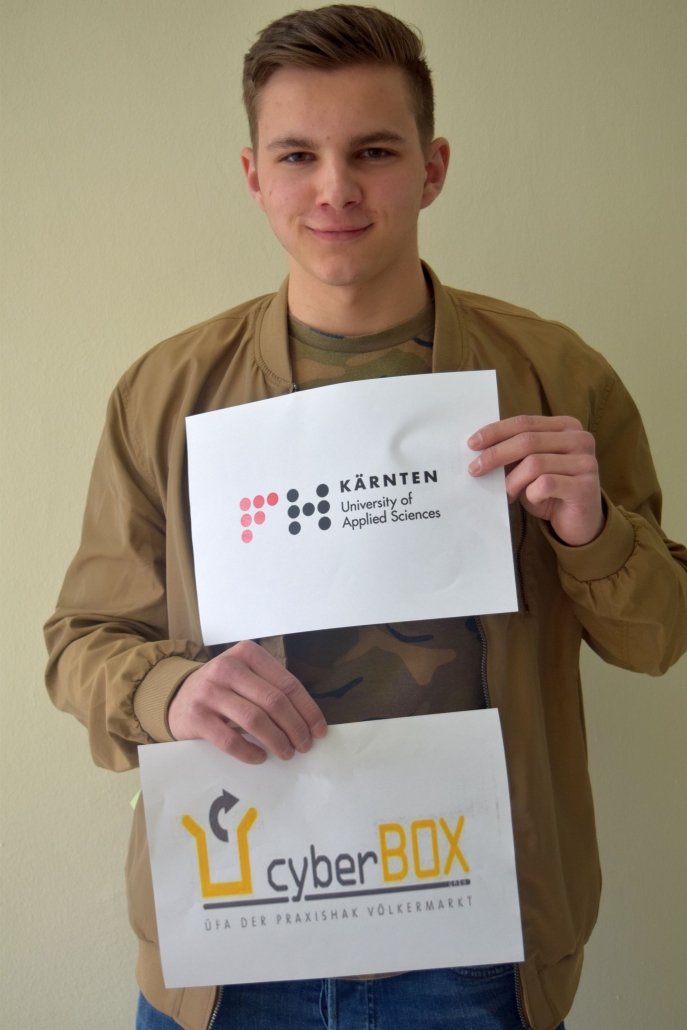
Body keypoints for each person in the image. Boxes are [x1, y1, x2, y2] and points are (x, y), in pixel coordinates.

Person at [43, 6, 687, 1030]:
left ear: (432, 169)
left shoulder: (557, 377)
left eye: (373, 152)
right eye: (297, 154)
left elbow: (657, 637)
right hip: (233, 945)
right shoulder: (166, 394)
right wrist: (171, 690)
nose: (336, 188)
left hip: (473, 951)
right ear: (254, 175)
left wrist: (590, 529)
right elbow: (81, 645)